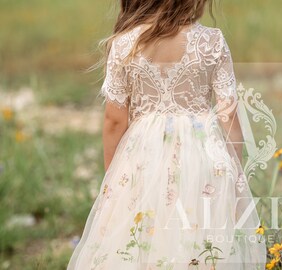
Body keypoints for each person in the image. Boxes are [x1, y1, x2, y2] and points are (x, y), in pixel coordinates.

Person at [67, 0, 267, 269]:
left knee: (140, 235)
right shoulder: (211, 42)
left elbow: (115, 121)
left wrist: (112, 181)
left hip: (142, 156)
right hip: (203, 156)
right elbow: (228, 115)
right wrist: (234, 172)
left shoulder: (125, 44)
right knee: (201, 234)